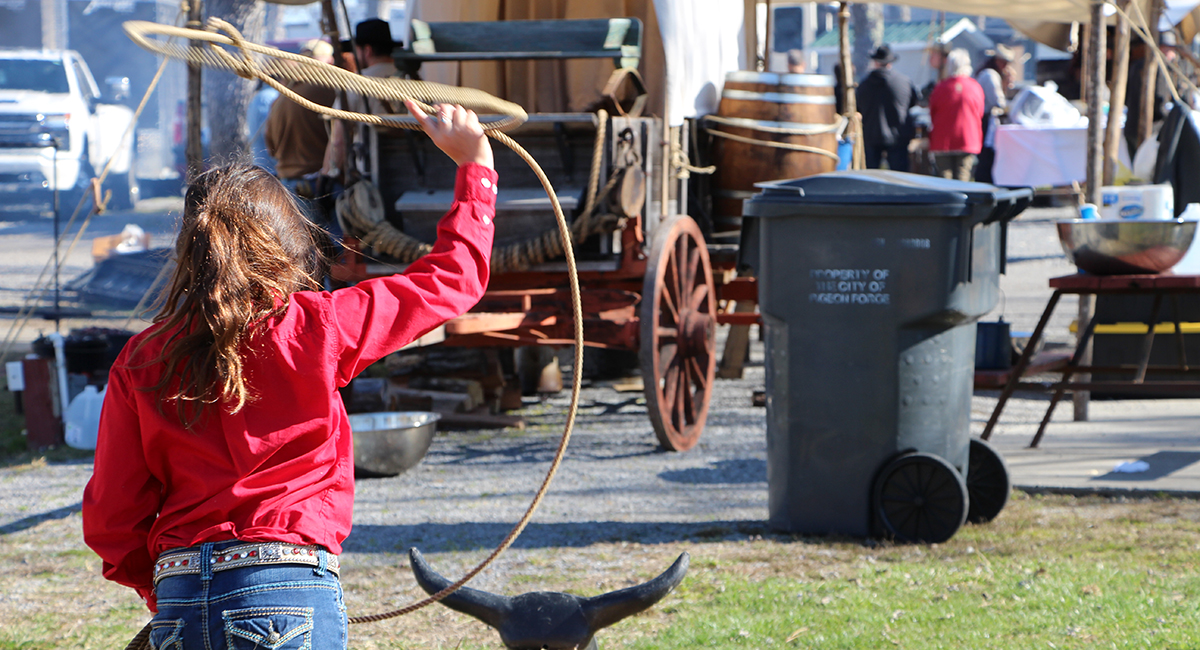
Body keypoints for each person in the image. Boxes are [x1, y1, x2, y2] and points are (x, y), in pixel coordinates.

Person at [81, 100, 496, 650]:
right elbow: (453, 279)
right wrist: (476, 166)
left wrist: (168, 590)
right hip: (284, 589)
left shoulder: (142, 358)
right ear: (286, 247)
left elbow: (113, 516)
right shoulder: (319, 327)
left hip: (181, 596)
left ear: (189, 251)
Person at [323, 19, 401, 181]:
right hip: (411, 165)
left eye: (356, 50)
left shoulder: (356, 82)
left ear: (367, 50)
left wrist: (327, 175)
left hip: (371, 172)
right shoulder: (412, 79)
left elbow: (338, 139)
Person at [266, 39, 338, 200]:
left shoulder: (281, 97)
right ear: (329, 60)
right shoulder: (328, 88)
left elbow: (270, 147)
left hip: (288, 183)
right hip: (316, 183)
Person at [856, 44, 920, 172]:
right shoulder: (904, 82)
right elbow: (913, 102)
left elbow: (858, 107)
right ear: (890, 63)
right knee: (900, 177)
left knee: (871, 176)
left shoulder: (864, 85)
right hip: (898, 136)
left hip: (871, 136)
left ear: (875, 62)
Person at [928, 48, 985, 181]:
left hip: (942, 139)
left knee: (944, 180)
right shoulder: (975, 87)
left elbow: (933, 112)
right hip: (967, 138)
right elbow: (980, 113)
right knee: (963, 177)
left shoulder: (940, 87)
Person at [974, 43, 1022, 183]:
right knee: (987, 156)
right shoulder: (990, 75)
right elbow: (998, 102)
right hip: (985, 119)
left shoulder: (988, 73)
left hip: (985, 119)